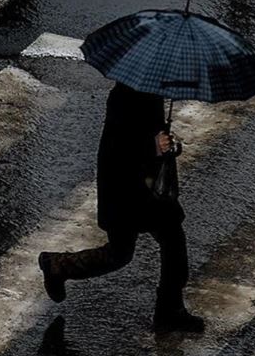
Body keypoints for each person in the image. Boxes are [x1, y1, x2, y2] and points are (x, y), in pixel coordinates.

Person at [37, 82, 204, 333]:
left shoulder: (149, 89)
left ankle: (170, 309)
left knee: (172, 239)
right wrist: (153, 146)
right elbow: (118, 148)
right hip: (124, 188)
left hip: (148, 186)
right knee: (120, 253)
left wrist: (165, 142)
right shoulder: (124, 97)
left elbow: (149, 133)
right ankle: (57, 266)